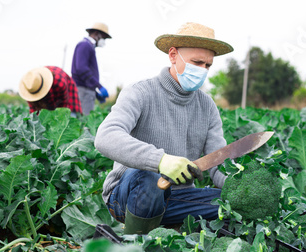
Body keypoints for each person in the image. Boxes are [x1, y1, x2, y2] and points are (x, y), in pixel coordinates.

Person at [94, 22, 233, 234]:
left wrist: (238, 186)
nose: (203, 70)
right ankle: (136, 246)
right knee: (147, 177)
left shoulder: (207, 106)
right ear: (173, 55)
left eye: (208, 65)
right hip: (129, 195)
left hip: (179, 198)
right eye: (197, 62)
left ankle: (168, 225)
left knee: (231, 202)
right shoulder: (140, 92)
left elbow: (217, 162)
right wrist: (160, 161)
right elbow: (105, 137)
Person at [72, 22, 111, 115]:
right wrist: (99, 86)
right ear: (97, 34)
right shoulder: (85, 45)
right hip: (83, 90)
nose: (104, 41)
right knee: (84, 121)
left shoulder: (88, 46)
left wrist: (95, 91)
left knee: (82, 120)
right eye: (104, 38)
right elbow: (81, 69)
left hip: (86, 90)